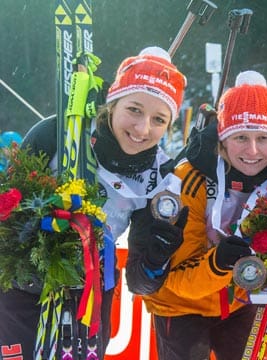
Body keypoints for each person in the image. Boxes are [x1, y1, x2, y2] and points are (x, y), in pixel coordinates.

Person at [0, 46, 186, 360]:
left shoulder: (160, 179)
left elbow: (140, 283)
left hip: (91, 292)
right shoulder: (56, 134)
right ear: (113, 103)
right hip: (24, 288)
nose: (142, 129)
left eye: (159, 119)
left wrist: (157, 258)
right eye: (135, 110)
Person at [125, 70, 267, 360]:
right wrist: (219, 263)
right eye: (241, 137)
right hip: (180, 304)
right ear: (222, 140)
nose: (253, 151)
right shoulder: (189, 182)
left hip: (240, 301)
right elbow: (176, 279)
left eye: (264, 138)